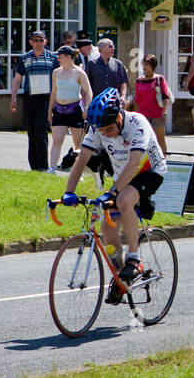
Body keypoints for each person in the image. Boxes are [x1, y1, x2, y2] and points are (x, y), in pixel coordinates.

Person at [61, 89, 168, 305]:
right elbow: (81, 160)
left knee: (123, 199)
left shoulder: (138, 123)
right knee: (107, 227)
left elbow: (135, 164)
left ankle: (134, 258)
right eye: (102, 130)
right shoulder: (98, 129)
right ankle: (121, 276)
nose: (106, 133)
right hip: (123, 177)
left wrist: (112, 192)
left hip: (149, 171)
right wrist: (68, 192)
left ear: (120, 116)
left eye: (110, 128)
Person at [9, 29, 59, 171]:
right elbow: (17, 79)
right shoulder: (25, 58)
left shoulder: (52, 58)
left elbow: (58, 80)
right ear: (31, 42)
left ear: (46, 41)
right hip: (29, 97)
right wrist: (13, 98)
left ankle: (43, 166)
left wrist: (57, 100)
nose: (38, 43)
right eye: (35, 40)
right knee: (31, 132)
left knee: (40, 130)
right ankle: (34, 167)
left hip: (45, 98)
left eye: (41, 40)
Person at [47, 45, 93, 173]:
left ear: (68, 57)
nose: (58, 58)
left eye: (60, 56)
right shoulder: (56, 72)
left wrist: (87, 108)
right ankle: (52, 168)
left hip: (75, 110)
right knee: (57, 140)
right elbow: (54, 93)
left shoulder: (79, 72)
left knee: (78, 143)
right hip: (59, 109)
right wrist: (50, 110)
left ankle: (79, 170)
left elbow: (88, 92)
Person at [130, 54, 173, 154]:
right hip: (143, 116)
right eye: (143, 64)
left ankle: (163, 161)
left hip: (157, 115)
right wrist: (135, 116)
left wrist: (165, 112)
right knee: (144, 141)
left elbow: (165, 97)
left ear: (153, 66)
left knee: (160, 140)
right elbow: (137, 100)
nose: (144, 67)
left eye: (146, 64)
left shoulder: (159, 79)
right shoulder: (139, 80)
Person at [85, 38, 129, 104]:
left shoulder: (118, 64)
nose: (113, 48)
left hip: (114, 102)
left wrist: (123, 96)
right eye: (110, 46)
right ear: (101, 49)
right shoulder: (91, 64)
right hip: (97, 103)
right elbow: (85, 85)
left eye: (113, 46)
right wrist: (85, 103)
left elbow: (123, 82)